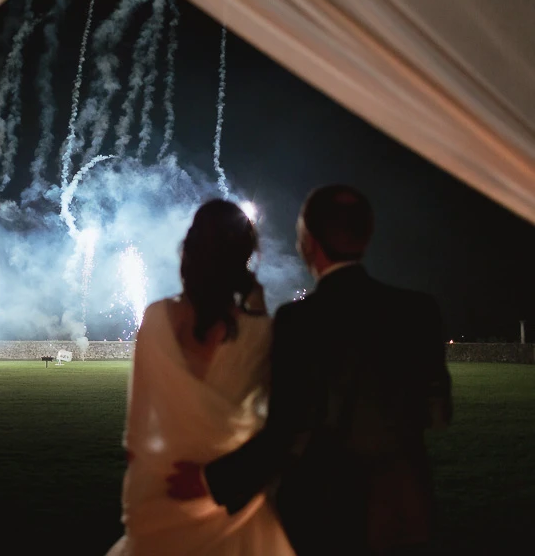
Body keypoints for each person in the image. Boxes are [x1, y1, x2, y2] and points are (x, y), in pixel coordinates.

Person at [167, 185, 452, 556]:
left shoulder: (298, 322)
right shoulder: (419, 311)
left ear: (309, 244)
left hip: (327, 516)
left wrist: (210, 480)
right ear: (366, 234)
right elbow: (439, 414)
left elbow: (287, 431)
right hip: (405, 513)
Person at [106, 199, 295, 556]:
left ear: (189, 253)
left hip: (157, 494)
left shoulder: (156, 317)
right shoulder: (262, 330)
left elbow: (137, 437)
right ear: (245, 258)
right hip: (228, 504)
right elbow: (277, 425)